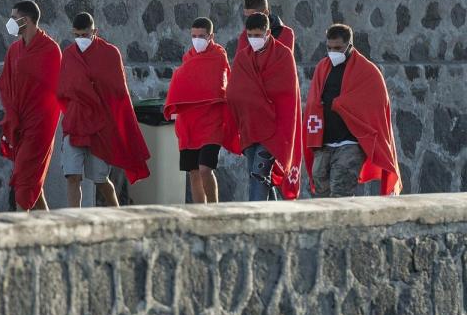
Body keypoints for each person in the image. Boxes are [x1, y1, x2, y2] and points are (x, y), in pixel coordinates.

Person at [56, 12, 149, 207]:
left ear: (95, 32)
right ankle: (75, 222)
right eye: (77, 35)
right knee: (72, 177)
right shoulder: (69, 55)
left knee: (100, 180)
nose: (81, 39)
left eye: (85, 35)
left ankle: (116, 214)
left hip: (100, 127)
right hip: (75, 124)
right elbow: (63, 90)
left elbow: (118, 92)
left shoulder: (110, 53)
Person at [304, 24, 401, 196]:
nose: (333, 52)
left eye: (338, 48)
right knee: (320, 188)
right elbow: (313, 101)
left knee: (341, 191)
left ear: (350, 45)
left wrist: (341, 104)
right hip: (324, 142)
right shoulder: (322, 68)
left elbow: (377, 103)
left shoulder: (368, 71)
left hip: (351, 143)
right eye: (329, 47)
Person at [227, 12, 303, 201]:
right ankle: (274, 219)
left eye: (258, 35)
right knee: (260, 177)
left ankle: (255, 220)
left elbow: (287, 95)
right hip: (250, 127)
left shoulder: (283, 55)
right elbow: (235, 90)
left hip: (274, 130)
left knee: (258, 175)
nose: (254, 39)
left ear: (268, 32)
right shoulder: (243, 57)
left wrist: (257, 98)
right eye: (250, 35)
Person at [164, 17, 240, 203]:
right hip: (189, 124)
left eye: (201, 36)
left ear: (211, 36)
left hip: (212, 124)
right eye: (193, 36)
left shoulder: (218, 56)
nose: (197, 40)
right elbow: (181, 86)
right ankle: (200, 213)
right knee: (194, 173)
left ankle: (214, 210)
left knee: (206, 169)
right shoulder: (188, 57)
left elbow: (218, 87)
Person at [0, 0, 62, 211]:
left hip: (39, 126)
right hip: (19, 124)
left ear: (28, 19)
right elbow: (6, 82)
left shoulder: (50, 50)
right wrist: (12, 114)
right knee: (33, 183)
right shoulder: (14, 49)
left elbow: (56, 92)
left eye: (15, 18)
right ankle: (50, 232)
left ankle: (21, 235)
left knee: (23, 182)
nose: (11, 22)